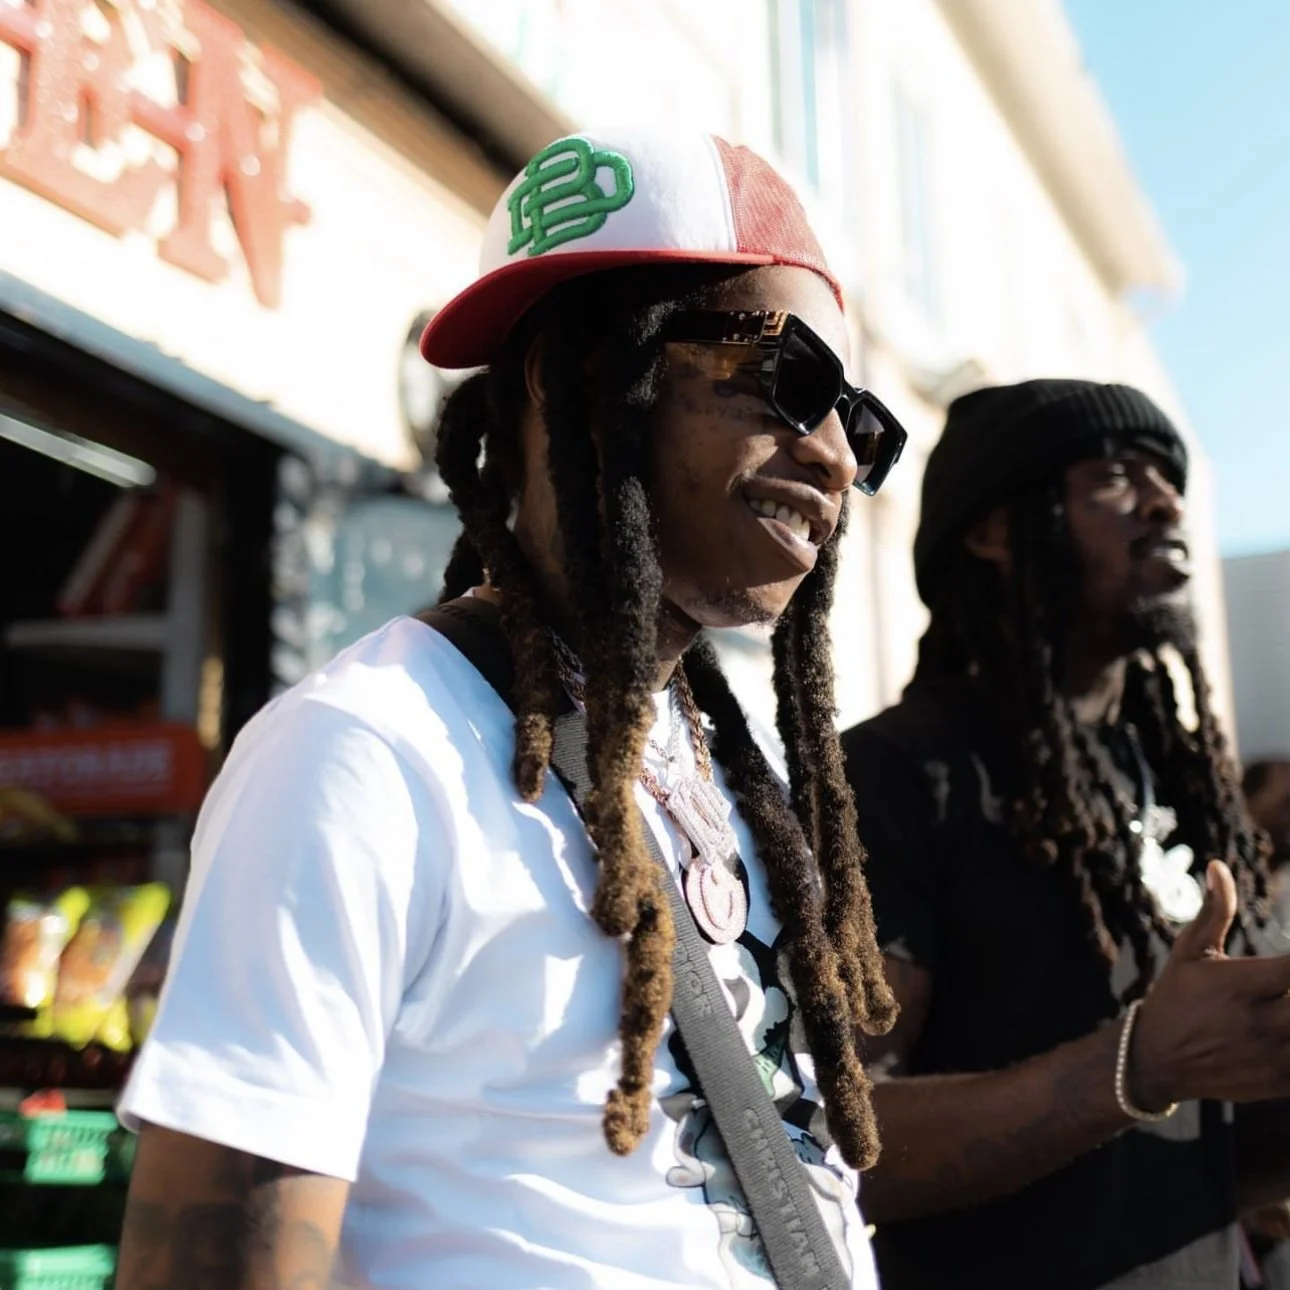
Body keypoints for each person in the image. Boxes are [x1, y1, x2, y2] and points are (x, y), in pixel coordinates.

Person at [114, 126, 912, 1290]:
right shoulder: (364, 753)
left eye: (863, 421)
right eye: (790, 381)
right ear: (574, 375)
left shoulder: (737, 781)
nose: (837, 455)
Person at [841, 379, 1290, 1289]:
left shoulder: (1181, 779)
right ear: (994, 532)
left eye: (1169, 477)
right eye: (1117, 478)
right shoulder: (894, 776)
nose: (1167, 500)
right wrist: (1136, 1063)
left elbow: (1197, 1160)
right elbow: (841, 1148)